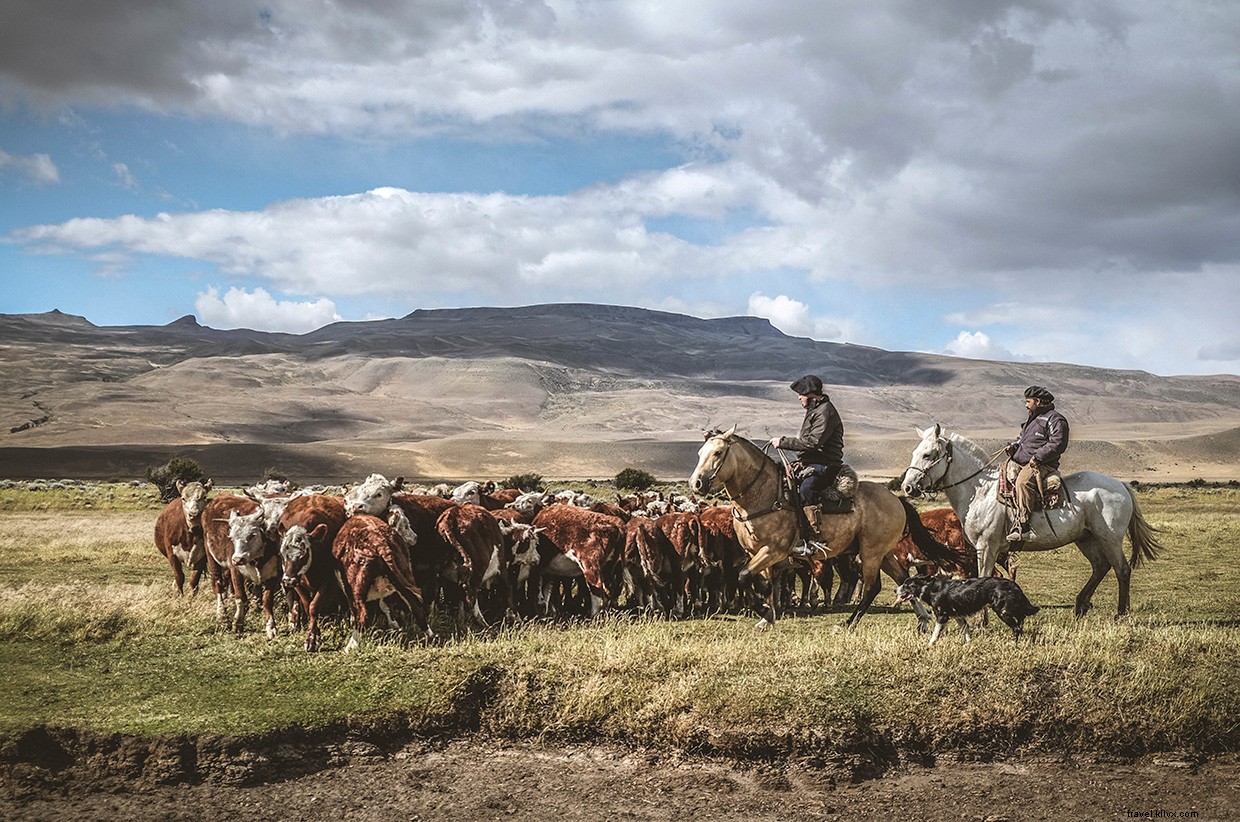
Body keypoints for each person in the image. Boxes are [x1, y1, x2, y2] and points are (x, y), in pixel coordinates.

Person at [768, 374, 844, 551]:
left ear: (810, 394)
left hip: (826, 464)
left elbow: (813, 442)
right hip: (812, 462)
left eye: (800, 394)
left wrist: (783, 442)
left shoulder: (825, 411)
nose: (798, 398)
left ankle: (813, 538)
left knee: (806, 488)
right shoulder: (816, 410)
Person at [1004, 385, 1070, 542]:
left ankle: (1024, 525)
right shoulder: (1032, 419)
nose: (1026, 405)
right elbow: (1023, 439)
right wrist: (1013, 446)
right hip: (1023, 461)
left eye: (1028, 401)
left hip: (1042, 463)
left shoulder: (1055, 419)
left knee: (1023, 482)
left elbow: (1058, 443)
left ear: (1038, 401)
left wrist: (1038, 457)